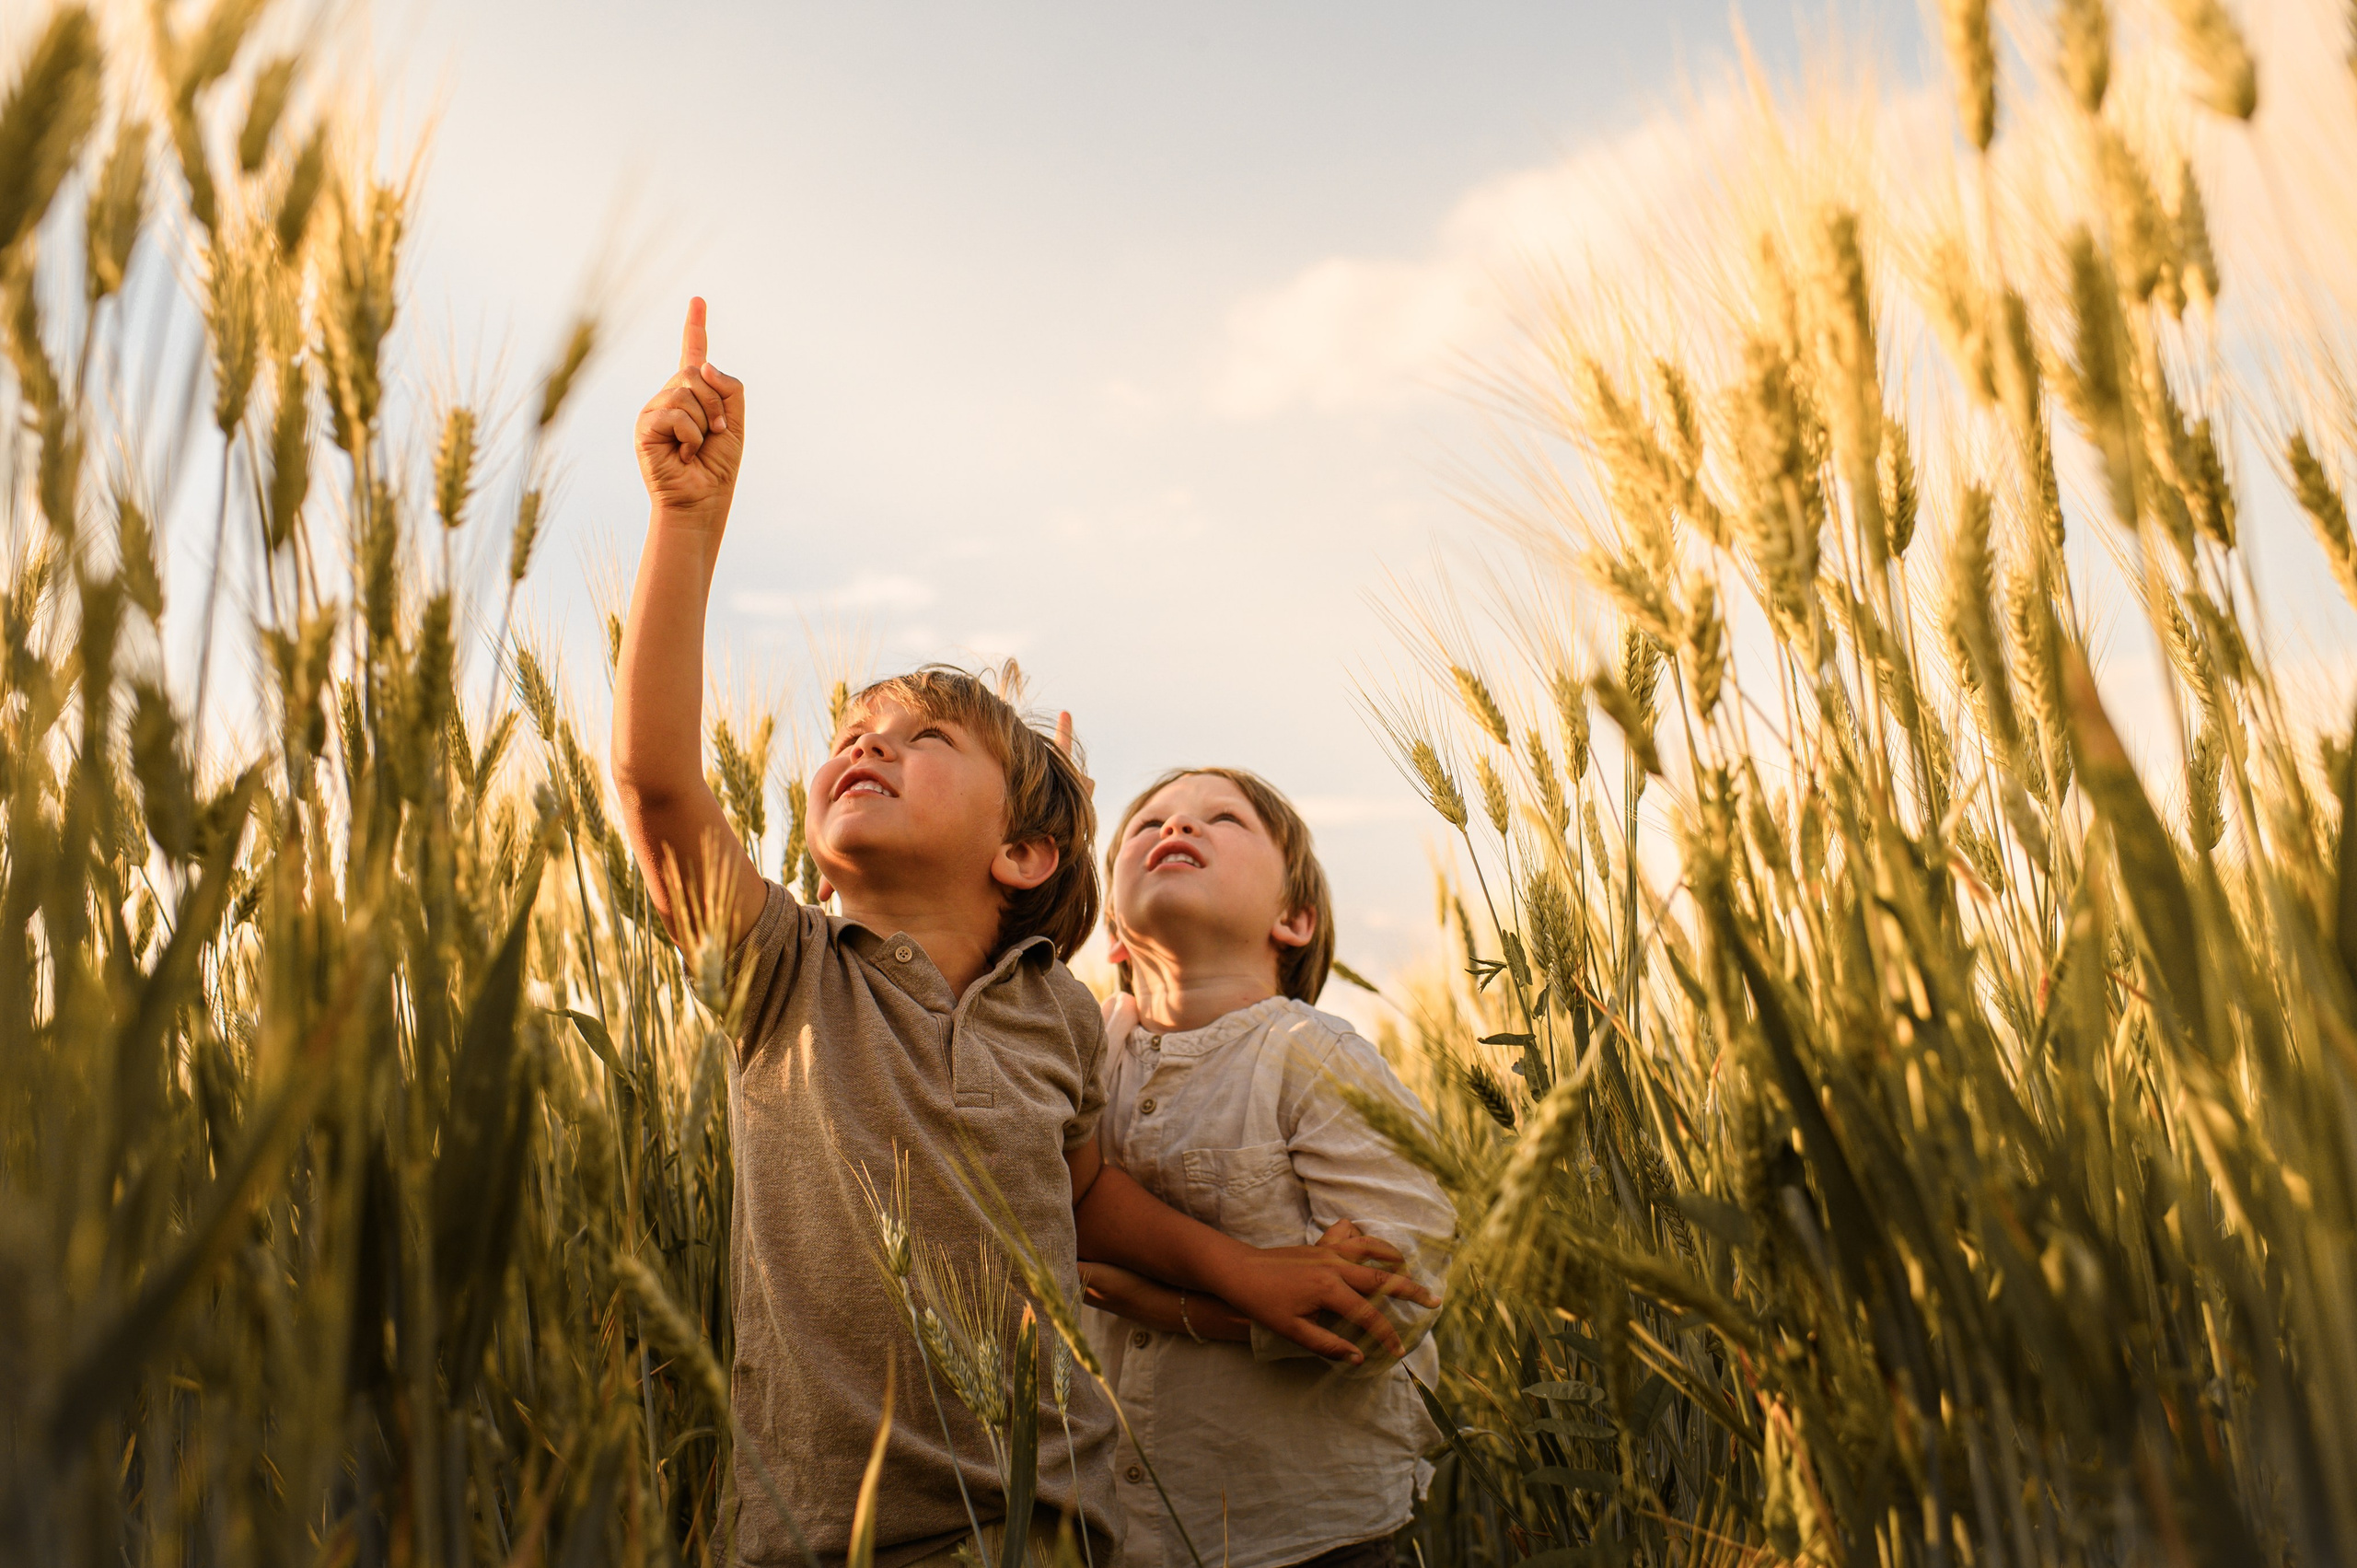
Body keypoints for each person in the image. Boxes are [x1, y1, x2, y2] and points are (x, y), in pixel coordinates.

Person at [612, 301, 1439, 1566]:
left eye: (922, 737)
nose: (865, 742)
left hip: (1056, 1527)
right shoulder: (781, 975)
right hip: (835, 1532)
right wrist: (685, 524)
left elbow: (1084, 1192)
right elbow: (660, 786)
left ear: (1023, 855)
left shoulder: (1057, 1010)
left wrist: (1250, 1275)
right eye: (851, 735)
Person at [1080, 768, 1457, 1568]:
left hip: (1305, 1536)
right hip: (1106, 1532)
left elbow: (1393, 1298)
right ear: (1111, 929)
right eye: (1148, 825)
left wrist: (1164, 1302)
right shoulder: (1080, 1055)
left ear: (1294, 917)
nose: (1176, 829)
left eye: (1221, 819)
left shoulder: (1314, 1058)